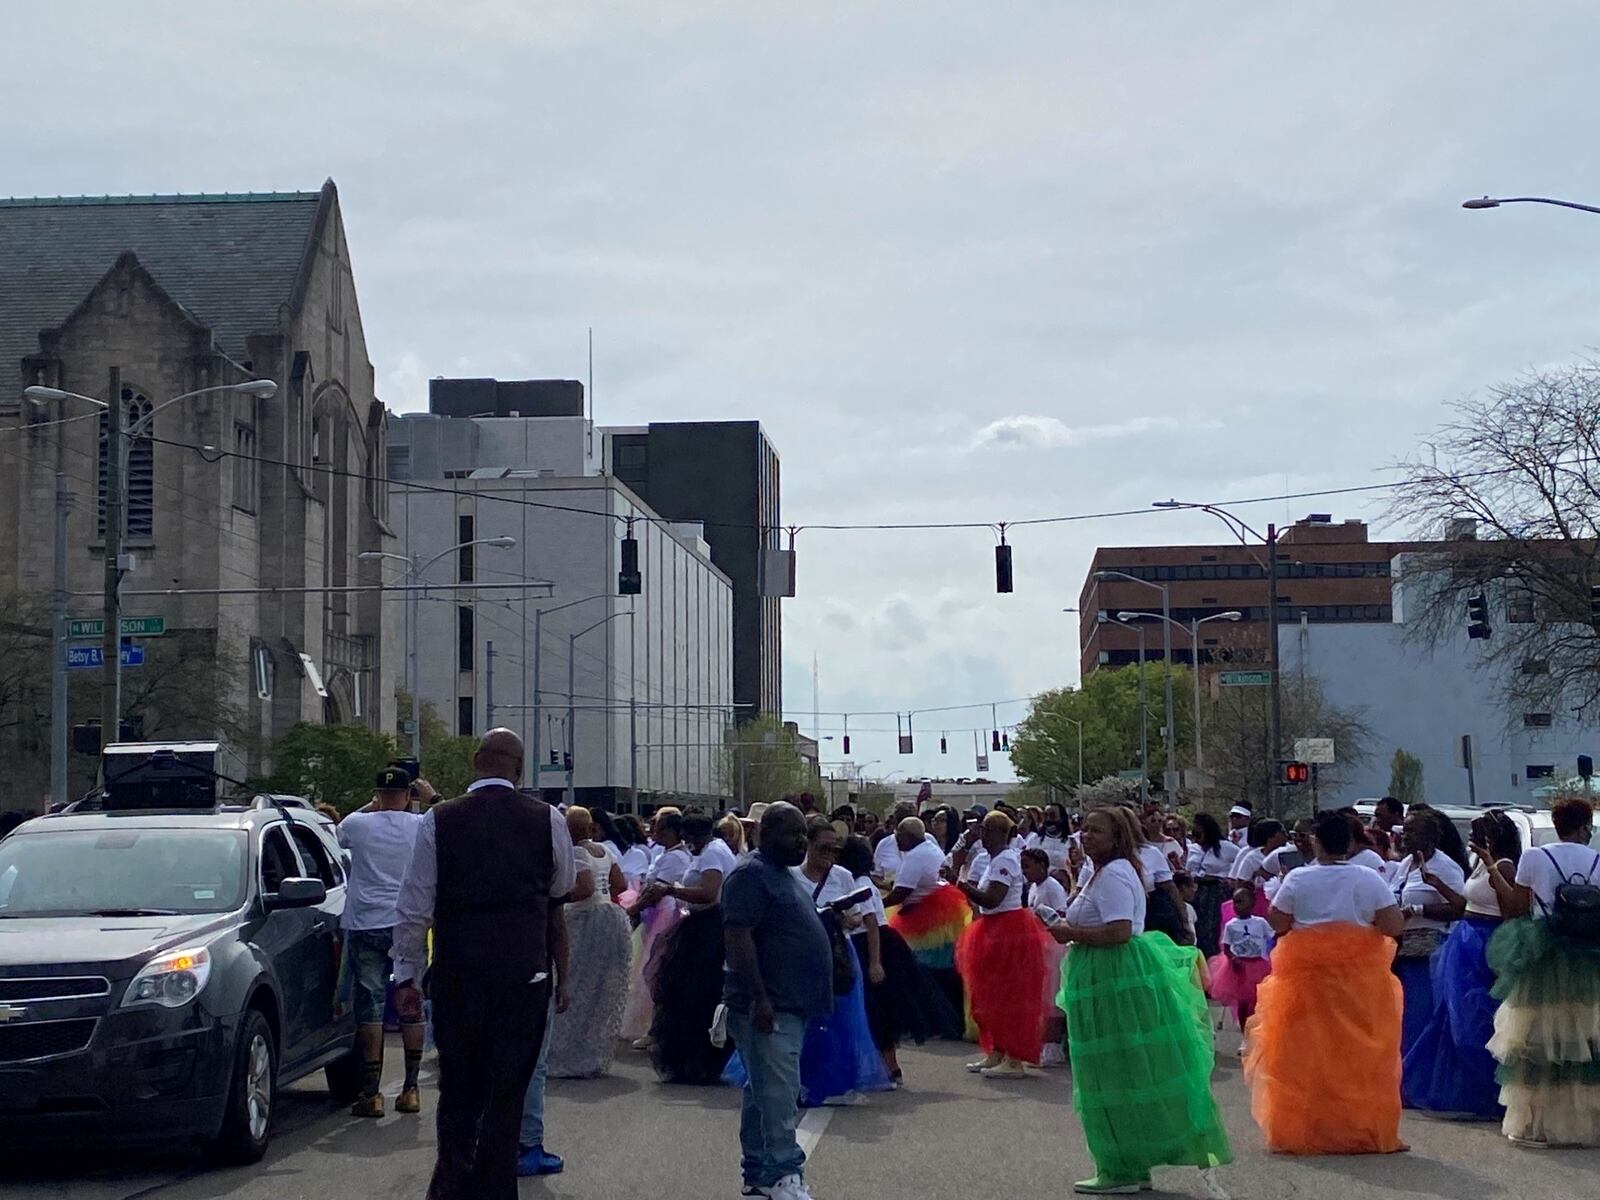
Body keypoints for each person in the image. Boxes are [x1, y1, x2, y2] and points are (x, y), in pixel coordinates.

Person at [391, 730, 576, 1200]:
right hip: (523, 975)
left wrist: (406, 974)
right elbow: (562, 885)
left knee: (458, 1087)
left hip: (459, 974)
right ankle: (496, 1187)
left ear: (476, 762)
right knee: (507, 1092)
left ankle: (452, 1182)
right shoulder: (547, 819)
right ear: (519, 768)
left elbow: (414, 906)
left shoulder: (439, 820)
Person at [1049, 807, 1231, 1194]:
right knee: (1110, 1070)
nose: (1087, 835)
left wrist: (1070, 932)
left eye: (1096, 831)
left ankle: (1123, 1167)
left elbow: (1119, 930)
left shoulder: (1115, 872)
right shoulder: (1102, 871)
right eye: (1085, 828)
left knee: (1114, 1070)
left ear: (1117, 838)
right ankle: (1122, 1163)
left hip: (1114, 974)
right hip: (1102, 974)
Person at [1244, 808, 1406, 1155]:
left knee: (1304, 1054)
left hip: (1306, 980)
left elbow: (1277, 922)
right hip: (1360, 980)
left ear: (1316, 841)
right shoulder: (1368, 877)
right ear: (1350, 842)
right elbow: (1393, 925)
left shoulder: (1299, 879)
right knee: (1362, 1052)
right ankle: (1361, 1128)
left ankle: (1308, 1128)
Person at [726, 817, 889, 1106]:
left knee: (840, 1023)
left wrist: (844, 921)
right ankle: (797, 1082)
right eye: (822, 847)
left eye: (834, 849)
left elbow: (864, 920)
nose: (829, 854)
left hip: (838, 957)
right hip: (794, 963)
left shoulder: (843, 877)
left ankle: (834, 1083)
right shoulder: (788, 875)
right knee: (800, 1028)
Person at [722, 802, 834, 1200]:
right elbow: (738, 937)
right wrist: (760, 999)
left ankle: (759, 1176)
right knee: (779, 1095)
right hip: (767, 1006)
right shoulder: (751, 876)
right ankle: (786, 1175)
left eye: (804, 833)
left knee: (763, 1093)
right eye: (791, 834)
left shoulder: (779, 874)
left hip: (789, 1004)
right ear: (764, 834)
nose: (800, 841)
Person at [1488, 795, 1600, 1146]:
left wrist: (1494, 873)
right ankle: (1587, 1124)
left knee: (1537, 1042)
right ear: (1585, 827)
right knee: (1586, 1040)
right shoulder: (1598, 859)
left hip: (1544, 954)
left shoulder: (1535, 857)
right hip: (1589, 954)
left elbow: (1516, 908)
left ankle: (1536, 1125)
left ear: (1556, 824)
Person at [1402, 809, 1521, 1118]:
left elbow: (1511, 910)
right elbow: (1464, 902)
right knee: (1450, 1017)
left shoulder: (1505, 866)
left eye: (1478, 833)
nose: (1471, 838)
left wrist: (1492, 863)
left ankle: (1490, 1091)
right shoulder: (1478, 864)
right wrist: (1437, 884)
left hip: (1485, 942)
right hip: (1464, 941)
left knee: (1476, 1018)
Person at [336, 766, 425, 1118]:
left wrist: (371, 805)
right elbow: (447, 823)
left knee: (369, 1005)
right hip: (405, 923)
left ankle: (371, 1093)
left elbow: (338, 832)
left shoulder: (359, 824)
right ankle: (411, 1089)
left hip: (365, 922)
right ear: (407, 797)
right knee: (411, 1002)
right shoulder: (419, 825)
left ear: (378, 795)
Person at [836, 834, 949, 1086]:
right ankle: (884, 1066)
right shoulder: (859, 880)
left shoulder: (859, 883)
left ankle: (888, 1068)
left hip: (870, 946)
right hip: (873, 944)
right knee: (876, 1009)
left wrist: (875, 962)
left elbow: (871, 923)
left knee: (876, 1010)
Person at [955, 811, 1052, 1077]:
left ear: (998, 833)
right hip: (992, 928)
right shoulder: (994, 860)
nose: (981, 836)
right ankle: (997, 1051)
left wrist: (963, 886)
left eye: (986, 830)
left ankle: (1013, 1059)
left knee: (1009, 996)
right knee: (989, 996)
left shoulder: (1006, 860)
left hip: (1008, 930)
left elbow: (992, 899)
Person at [544, 807, 632, 1079]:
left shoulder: (577, 854)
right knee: (598, 988)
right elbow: (620, 883)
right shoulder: (605, 851)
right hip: (610, 917)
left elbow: (584, 888)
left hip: (585, 919)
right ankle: (592, 1052)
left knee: (574, 983)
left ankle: (567, 1052)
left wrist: (556, 898)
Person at [649, 813, 737, 1084]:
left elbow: (708, 892)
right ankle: (696, 1060)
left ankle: (700, 1059)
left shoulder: (712, 854)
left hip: (708, 929)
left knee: (695, 994)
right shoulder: (714, 851)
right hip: (704, 925)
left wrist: (670, 890)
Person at [1389, 807, 1468, 1058]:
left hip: (1429, 950)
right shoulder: (1405, 864)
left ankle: (1420, 1080)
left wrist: (1417, 910)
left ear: (1430, 837)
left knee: (1421, 1016)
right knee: (1406, 1014)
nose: (1405, 836)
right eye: (1405, 830)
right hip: (1402, 949)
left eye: (1412, 831)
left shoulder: (1444, 867)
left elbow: (1459, 908)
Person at [885, 817, 970, 1034]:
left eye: (898, 836)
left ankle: (939, 1020)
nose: (896, 840)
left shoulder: (915, 856)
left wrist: (878, 903)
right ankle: (946, 1020)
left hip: (924, 916)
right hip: (941, 913)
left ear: (907, 836)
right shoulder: (930, 847)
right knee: (942, 969)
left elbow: (901, 892)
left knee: (926, 971)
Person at [622, 807, 691, 1046]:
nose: (655, 831)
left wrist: (634, 908)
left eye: (660, 828)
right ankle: (652, 1026)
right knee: (650, 969)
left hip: (666, 914)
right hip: (656, 915)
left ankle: (656, 1028)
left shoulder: (675, 857)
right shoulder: (666, 853)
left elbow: (656, 891)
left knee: (654, 970)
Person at [1206, 883, 1273, 1052]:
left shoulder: (1260, 922)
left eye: (1241, 902)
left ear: (1251, 903)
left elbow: (1270, 938)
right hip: (1239, 968)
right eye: (1235, 902)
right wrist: (1232, 958)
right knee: (1243, 1004)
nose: (1237, 906)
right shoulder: (1231, 925)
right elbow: (1227, 946)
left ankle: (1259, 1034)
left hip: (1258, 965)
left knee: (1259, 1003)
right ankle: (1245, 1037)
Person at [1022, 848, 1070, 1067]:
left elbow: (1060, 915)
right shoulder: (1034, 887)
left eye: (1028, 866)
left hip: (1054, 947)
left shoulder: (1053, 887)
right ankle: (1044, 1043)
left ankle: (1053, 1047)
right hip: (1040, 945)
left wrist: (1042, 918)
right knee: (1043, 996)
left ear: (1042, 865)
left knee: (1052, 998)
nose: (1025, 872)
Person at [1185, 813, 1237, 958]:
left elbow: (1241, 863)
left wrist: (1228, 879)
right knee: (1199, 927)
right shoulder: (1194, 849)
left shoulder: (1225, 847)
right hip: (1198, 892)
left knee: (1213, 928)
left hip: (1217, 893)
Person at [872, 802, 917, 883]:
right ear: (895, 820)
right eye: (901, 819)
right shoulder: (884, 844)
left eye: (909, 820)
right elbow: (875, 875)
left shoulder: (927, 841)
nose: (905, 824)